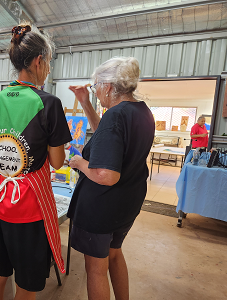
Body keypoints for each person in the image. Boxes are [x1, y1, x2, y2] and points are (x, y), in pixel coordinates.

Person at [0, 24, 72, 300]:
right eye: (49, 62)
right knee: (26, 287)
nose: (49, 69)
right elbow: (56, 162)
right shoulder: (49, 103)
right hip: (29, 208)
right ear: (38, 61)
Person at [67, 57, 155, 300]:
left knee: (96, 269)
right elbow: (106, 135)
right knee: (115, 253)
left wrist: (79, 163)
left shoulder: (116, 116)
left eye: (95, 87)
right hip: (127, 203)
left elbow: (106, 175)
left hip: (102, 207)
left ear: (108, 87)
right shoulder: (142, 111)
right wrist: (85, 104)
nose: (95, 93)